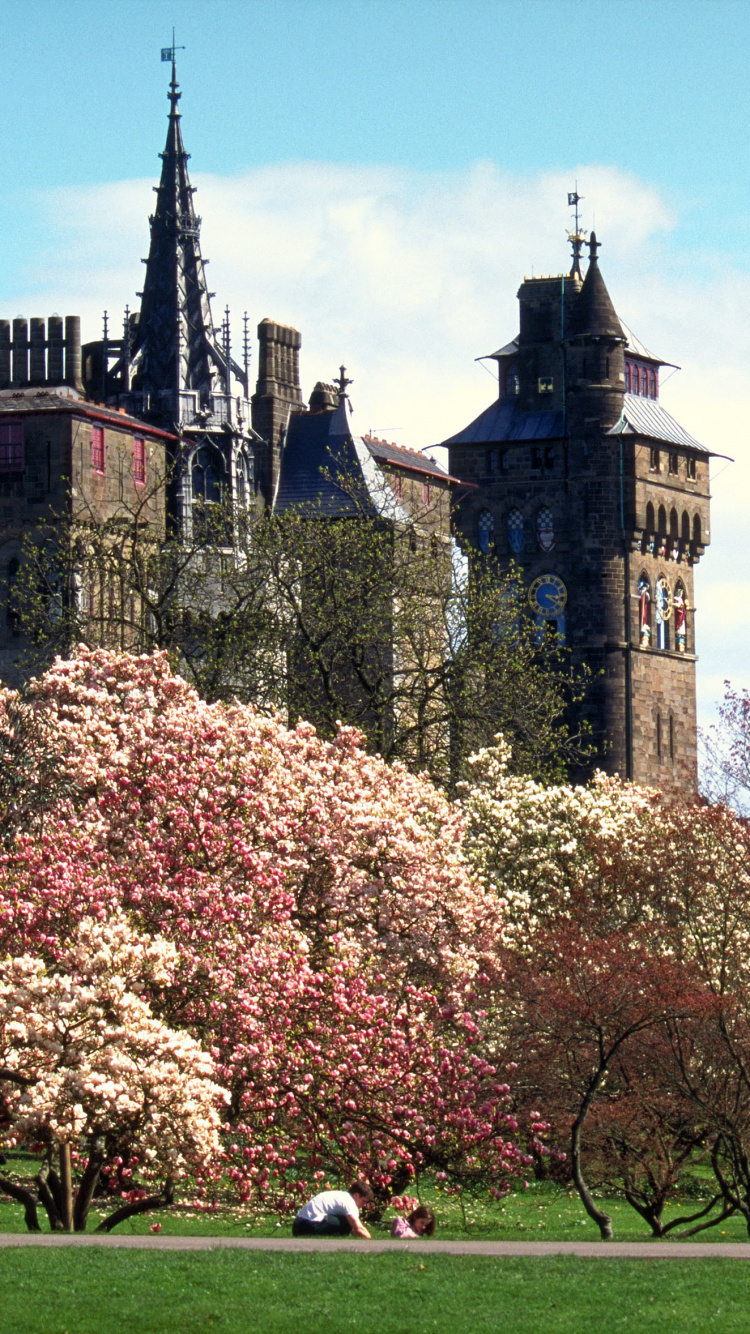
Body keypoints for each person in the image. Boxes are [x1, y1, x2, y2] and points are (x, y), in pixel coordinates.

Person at [292, 1181, 374, 1238]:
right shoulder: (349, 1202)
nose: (363, 1205)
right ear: (356, 1195)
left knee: (344, 1220)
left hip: (297, 1226)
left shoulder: (340, 1195)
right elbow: (358, 1229)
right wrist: (371, 1241)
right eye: (363, 1201)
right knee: (346, 1222)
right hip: (309, 1226)